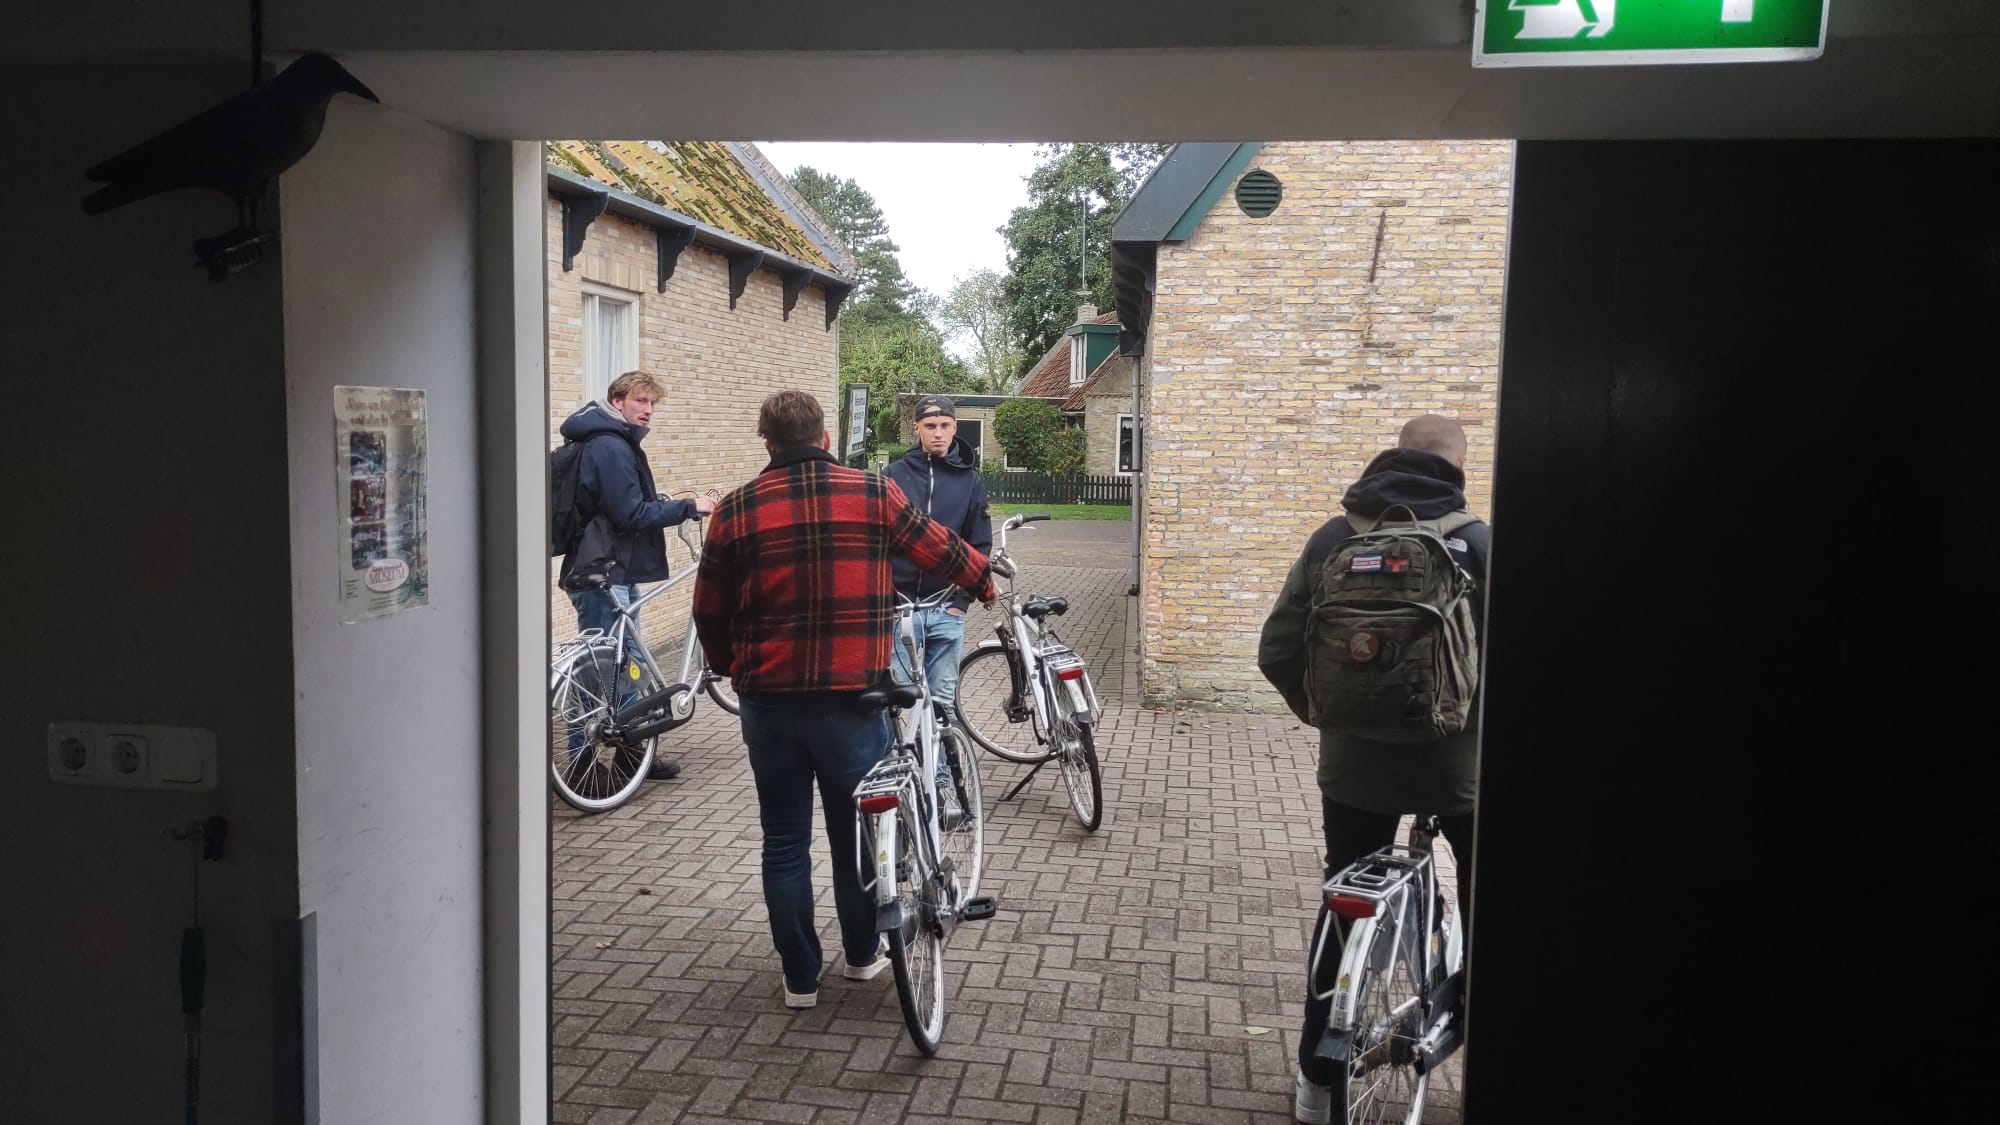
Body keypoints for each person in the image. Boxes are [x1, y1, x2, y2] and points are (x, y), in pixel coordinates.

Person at [691, 390, 997, 1011]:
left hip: (769, 704)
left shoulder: (736, 509)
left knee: (783, 841)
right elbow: (939, 546)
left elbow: (708, 610)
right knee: (856, 834)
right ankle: (862, 956)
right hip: (852, 701)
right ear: (825, 437)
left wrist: (729, 667)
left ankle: (800, 979)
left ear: (767, 442)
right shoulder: (872, 492)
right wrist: (983, 580)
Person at [1256, 415, 1491, 1125]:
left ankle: (1314, 1082)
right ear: (1456, 464)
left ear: (1392, 454)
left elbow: (1276, 649)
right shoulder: (1480, 544)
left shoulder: (1335, 539)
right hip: (1459, 769)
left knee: (1341, 912)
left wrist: (1331, 714)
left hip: (1354, 771)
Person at [556, 370, 717, 781]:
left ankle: (634, 754)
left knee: (623, 664)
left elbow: (618, 506)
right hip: (602, 572)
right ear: (617, 400)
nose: (647, 410)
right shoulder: (609, 446)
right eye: (640, 401)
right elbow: (629, 513)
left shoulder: (612, 441)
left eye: (652, 404)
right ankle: (582, 765)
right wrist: (687, 506)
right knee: (598, 672)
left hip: (613, 569)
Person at [881, 394, 992, 828]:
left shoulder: (970, 481)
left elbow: (978, 544)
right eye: (931, 427)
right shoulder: (893, 476)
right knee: (899, 705)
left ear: (955, 427)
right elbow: (881, 540)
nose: (940, 433)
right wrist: (887, 597)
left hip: (946, 609)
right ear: (917, 430)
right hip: (901, 609)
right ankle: (903, 787)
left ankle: (940, 793)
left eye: (946, 426)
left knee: (942, 708)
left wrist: (962, 601)